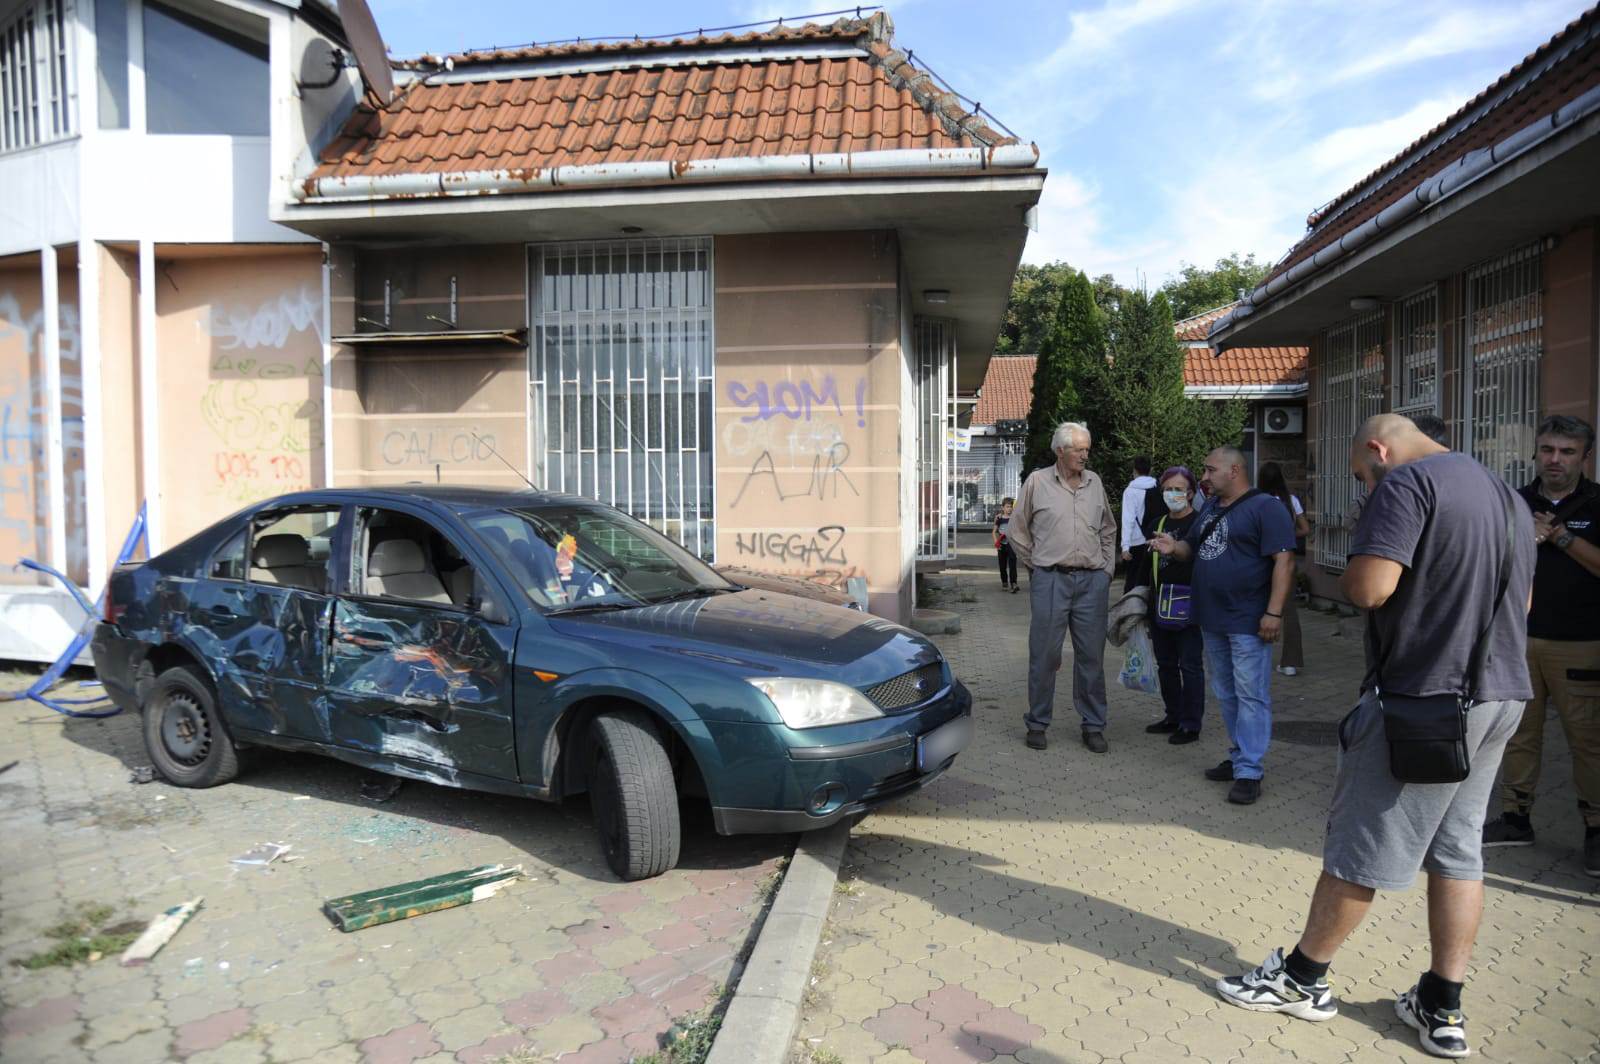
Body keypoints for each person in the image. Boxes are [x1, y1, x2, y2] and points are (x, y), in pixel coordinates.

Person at [1214, 414, 1534, 1060]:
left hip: (1424, 702)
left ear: (1380, 451)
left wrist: (1375, 543)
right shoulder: (1506, 494)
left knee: (1359, 843)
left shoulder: (1408, 485)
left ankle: (1303, 978)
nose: (1367, 487)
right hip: (1501, 697)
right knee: (1458, 850)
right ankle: (1442, 1005)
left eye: (1364, 475)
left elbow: (1368, 587)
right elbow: (1522, 605)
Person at [1483, 415, 1600, 877]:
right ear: (1536, 451)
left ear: (1584, 457)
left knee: (1588, 741)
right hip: (1517, 638)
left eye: (1566, 452)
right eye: (1547, 449)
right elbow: (1489, 558)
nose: (1555, 460)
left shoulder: (1598, 502)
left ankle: (1595, 829)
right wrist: (1522, 542)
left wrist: (1561, 536)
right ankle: (1516, 818)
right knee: (1516, 734)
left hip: (1582, 643)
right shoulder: (1514, 501)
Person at [1149, 446, 1295, 805]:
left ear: (1235, 471)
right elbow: (1191, 549)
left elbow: (1285, 562)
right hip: (1211, 618)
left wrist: (1273, 613)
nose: (1205, 476)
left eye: (1211, 470)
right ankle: (1239, 756)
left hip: (1247, 619)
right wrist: (1172, 547)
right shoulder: (1211, 509)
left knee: (1250, 694)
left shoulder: (1267, 508)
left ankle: (1250, 770)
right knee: (1227, 693)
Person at [1009, 421, 1118, 753]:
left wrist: (1106, 571)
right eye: (1079, 449)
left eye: (1087, 449)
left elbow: (1107, 529)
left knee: (1092, 658)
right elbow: (1017, 530)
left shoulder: (1095, 482)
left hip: (1091, 583)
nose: (1085, 455)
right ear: (1060, 451)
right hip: (1051, 580)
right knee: (1045, 655)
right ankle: (1038, 722)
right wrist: (1038, 565)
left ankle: (1093, 725)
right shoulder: (1037, 482)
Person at [1141, 466, 1206, 745]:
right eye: (1168, 489)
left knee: (1190, 665)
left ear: (1191, 492)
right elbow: (1147, 566)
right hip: (1160, 602)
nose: (1173, 494)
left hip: (1189, 603)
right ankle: (1172, 715)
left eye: (1179, 489)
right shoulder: (1156, 523)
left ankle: (1191, 724)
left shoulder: (1201, 522)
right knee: (1165, 663)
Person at [1258, 462, 1312, 676]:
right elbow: (1305, 529)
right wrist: (1288, 536)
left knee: (1256, 607)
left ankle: (1256, 658)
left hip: (1262, 560)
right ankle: (1290, 662)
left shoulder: (1257, 501)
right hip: (1287, 559)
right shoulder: (1292, 501)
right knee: (1289, 611)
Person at [1120, 456, 1158, 593]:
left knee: (1133, 582)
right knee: (1150, 580)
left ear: (1134, 470)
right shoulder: (1157, 487)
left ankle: (1131, 612)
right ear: (1150, 470)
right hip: (1155, 539)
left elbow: (1128, 519)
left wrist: (1125, 546)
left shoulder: (1130, 491)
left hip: (1136, 542)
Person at [993, 497, 1019, 593]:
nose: (1009, 509)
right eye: (1007, 507)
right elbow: (994, 531)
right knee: (1002, 565)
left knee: (1012, 564)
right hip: (1001, 545)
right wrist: (996, 542)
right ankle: (1004, 582)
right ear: (1002, 507)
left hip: (1011, 544)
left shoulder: (1014, 518)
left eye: (1011, 507)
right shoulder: (999, 518)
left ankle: (1014, 583)